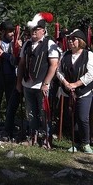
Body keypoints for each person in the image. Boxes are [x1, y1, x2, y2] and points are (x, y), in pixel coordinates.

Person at [16, 12, 59, 147]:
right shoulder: (27, 44)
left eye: (37, 29)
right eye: (32, 29)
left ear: (43, 31)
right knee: (31, 113)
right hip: (27, 84)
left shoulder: (49, 44)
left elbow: (54, 65)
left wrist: (46, 83)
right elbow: (22, 64)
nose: (34, 32)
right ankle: (32, 137)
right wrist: (19, 83)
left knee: (44, 113)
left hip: (42, 85)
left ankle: (47, 139)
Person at [56, 29, 93, 154]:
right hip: (69, 91)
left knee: (83, 117)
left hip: (84, 91)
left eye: (74, 39)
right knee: (72, 118)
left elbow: (91, 74)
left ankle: (86, 142)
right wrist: (66, 83)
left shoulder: (89, 55)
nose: (71, 41)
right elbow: (59, 71)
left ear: (80, 41)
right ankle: (75, 142)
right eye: (70, 39)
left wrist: (75, 84)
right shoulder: (65, 55)